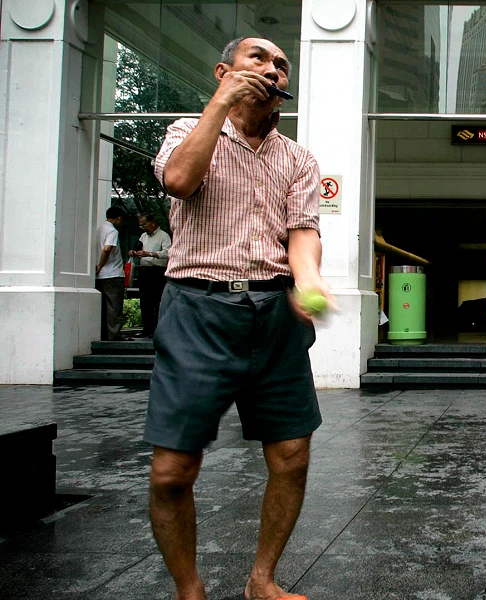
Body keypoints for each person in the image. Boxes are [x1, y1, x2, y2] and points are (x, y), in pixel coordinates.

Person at [146, 37, 327, 600]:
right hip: (197, 309)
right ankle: (190, 590)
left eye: (282, 65)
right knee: (172, 471)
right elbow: (178, 181)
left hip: (275, 313)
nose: (273, 69)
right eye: (260, 59)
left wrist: (311, 281)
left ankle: (262, 580)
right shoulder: (186, 132)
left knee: (292, 456)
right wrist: (221, 103)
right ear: (224, 70)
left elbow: (302, 237)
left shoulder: (298, 159)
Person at [129, 213, 172, 338]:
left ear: (152, 222)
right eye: (141, 225)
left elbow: (167, 253)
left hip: (157, 271)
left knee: (157, 300)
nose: (142, 227)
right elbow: (138, 247)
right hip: (144, 270)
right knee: (144, 301)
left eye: (144, 224)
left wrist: (150, 254)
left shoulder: (163, 236)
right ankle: (146, 329)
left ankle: (157, 329)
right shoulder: (143, 236)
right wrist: (134, 252)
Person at [96, 206, 128, 341]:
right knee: (114, 305)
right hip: (113, 273)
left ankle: (103, 333)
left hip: (101, 275)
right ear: (119, 218)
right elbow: (107, 248)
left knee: (103, 306)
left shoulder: (100, 229)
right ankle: (114, 334)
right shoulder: (112, 231)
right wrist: (101, 265)